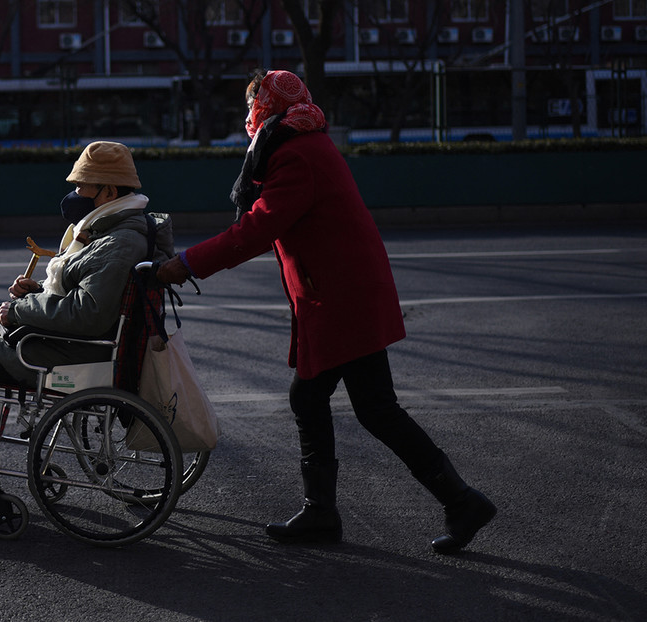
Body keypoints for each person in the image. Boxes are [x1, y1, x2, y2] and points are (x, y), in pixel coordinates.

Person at [156, 70, 496, 553]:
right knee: (361, 406)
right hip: (341, 294)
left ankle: (346, 512)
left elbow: (257, 228)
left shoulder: (293, 153)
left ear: (267, 108)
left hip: (340, 299)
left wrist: (185, 263)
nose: (248, 117)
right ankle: (449, 502)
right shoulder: (301, 141)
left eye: (252, 106)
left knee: (340, 403)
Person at [0, 141, 174, 508]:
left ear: (107, 191)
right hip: (74, 344)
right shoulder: (115, 231)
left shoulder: (118, 241)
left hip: (75, 355)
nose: (74, 195)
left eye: (80, 187)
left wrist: (20, 311)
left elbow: (87, 314)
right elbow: (87, 298)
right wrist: (37, 292)